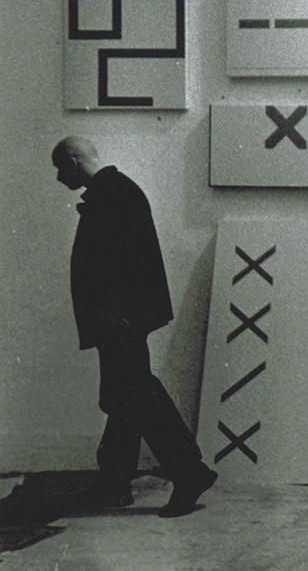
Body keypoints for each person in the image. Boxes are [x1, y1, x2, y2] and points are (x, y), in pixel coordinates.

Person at [52, 136, 216, 518]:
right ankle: (114, 483)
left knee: (137, 392)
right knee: (122, 396)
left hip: (119, 318)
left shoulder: (113, 193)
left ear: (74, 161)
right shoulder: (114, 190)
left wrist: (115, 313)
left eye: (60, 168)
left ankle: (190, 471)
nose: (59, 177)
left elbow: (124, 262)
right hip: (119, 317)